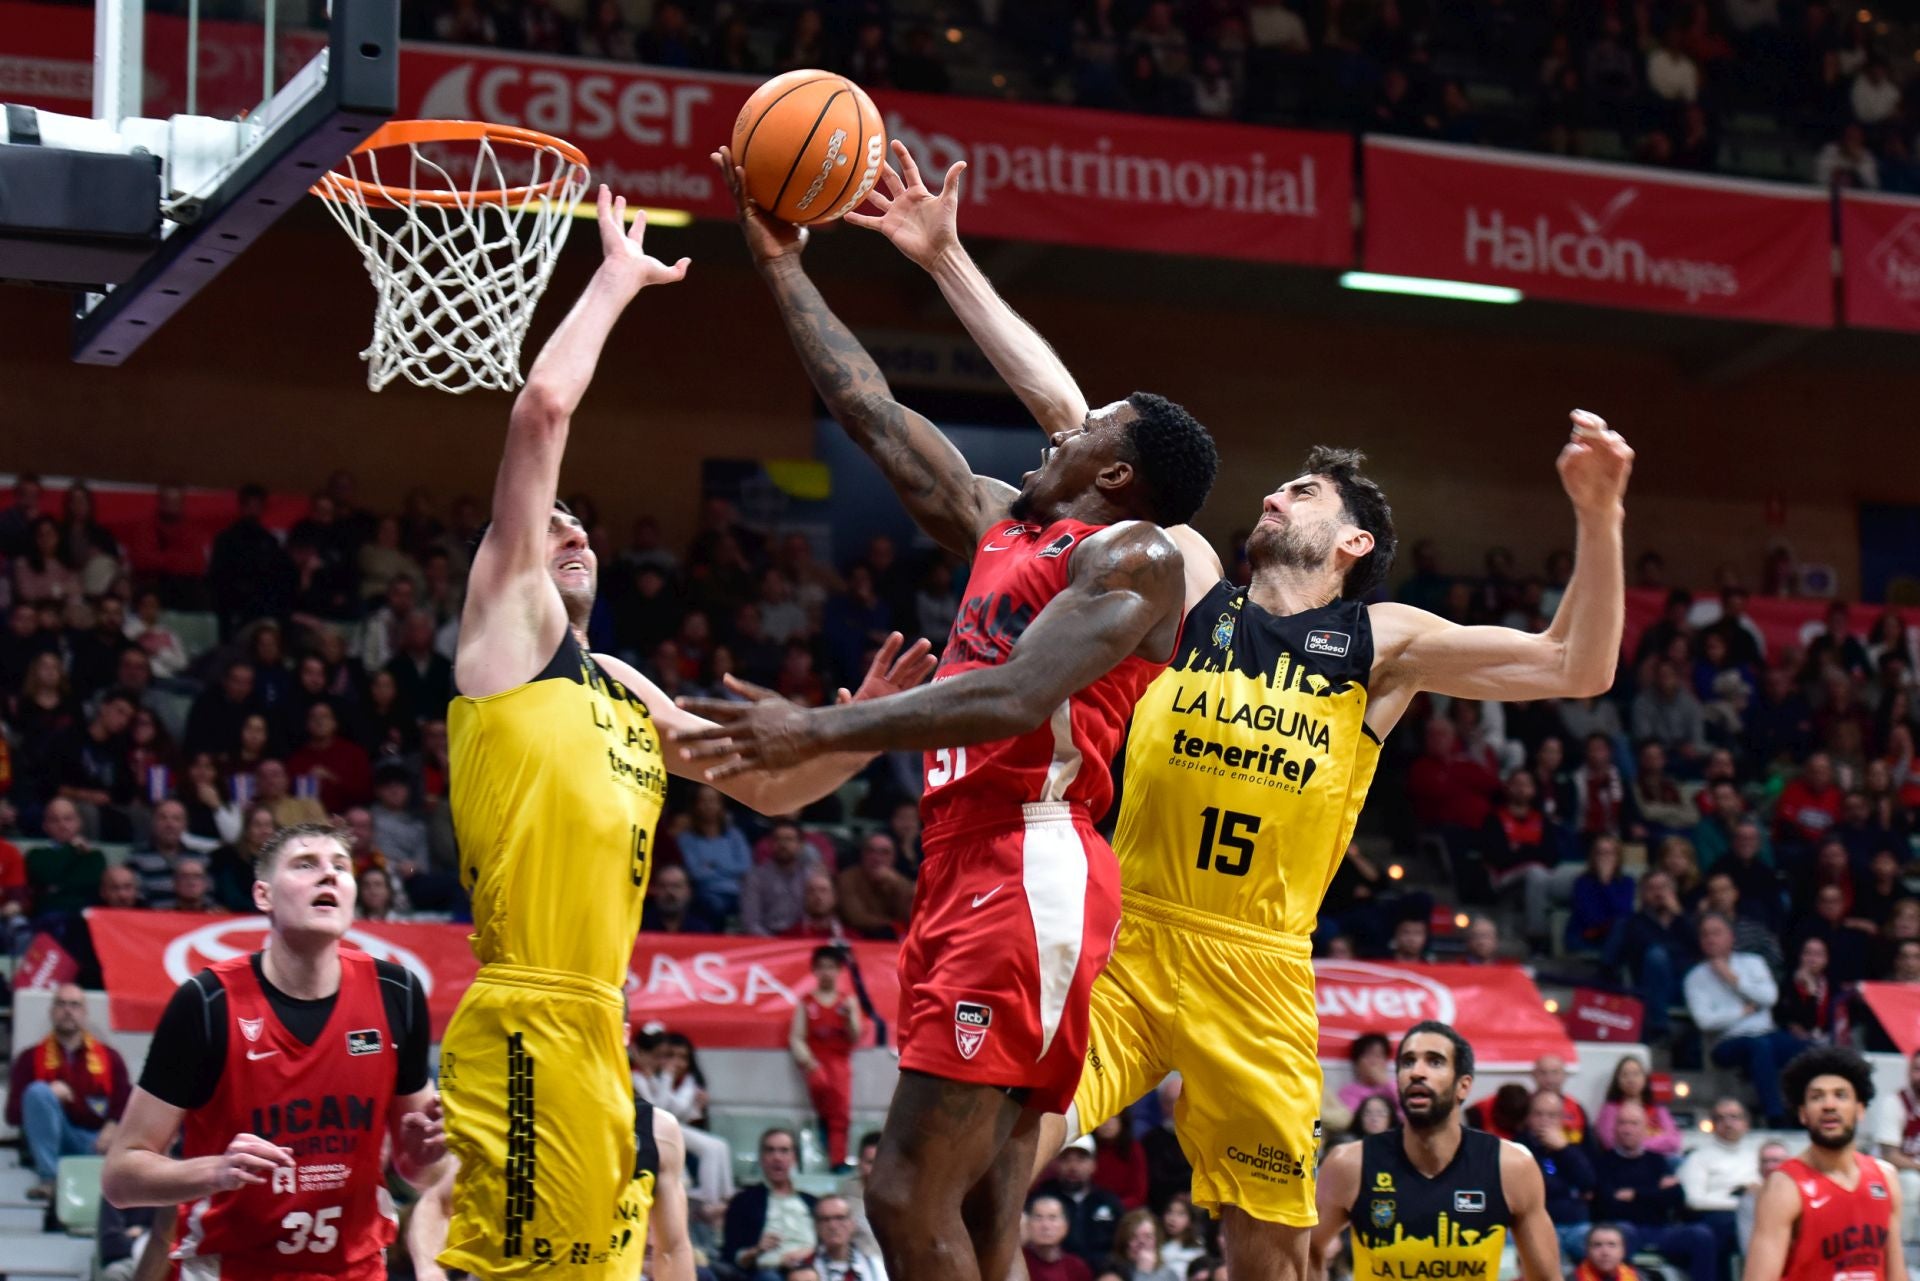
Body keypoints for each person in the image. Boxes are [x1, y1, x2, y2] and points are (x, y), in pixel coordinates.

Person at [853, 152, 1631, 1276]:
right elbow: (1078, 423)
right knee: (988, 1165)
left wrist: (1597, 517)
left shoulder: (1382, 643)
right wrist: (948, 259)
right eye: (1278, 486)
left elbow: (1578, 664)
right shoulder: (1187, 582)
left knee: (1272, 1248)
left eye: (1303, 493)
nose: (1274, 493)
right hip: (1132, 932)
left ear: (1353, 540)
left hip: (1262, 965)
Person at [694, 149, 1215, 1281]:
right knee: (981, 1208)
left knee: (897, 1195)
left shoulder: (1133, 555)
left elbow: (1018, 693)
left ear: (1117, 474)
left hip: (1032, 862)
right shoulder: (1002, 526)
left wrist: (813, 731)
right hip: (965, 861)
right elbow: (869, 408)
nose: (1057, 433)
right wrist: (775, 255)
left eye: (1089, 429)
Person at [437, 186, 933, 1281]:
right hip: (526, 1014)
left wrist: (865, 726)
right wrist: (615, 279)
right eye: (547, 520)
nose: (567, 527)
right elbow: (539, 418)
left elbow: (770, 791)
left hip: (600, 1027)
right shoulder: (507, 639)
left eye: (580, 525)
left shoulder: (620, 683)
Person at [100, 823, 445, 1276]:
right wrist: (216, 1171)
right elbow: (120, 1178)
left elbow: (421, 1173)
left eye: (340, 867)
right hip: (229, 1267)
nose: (329, 876)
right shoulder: (207, 1003)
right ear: (263, 895)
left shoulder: (396, 992)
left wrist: (421, 1157)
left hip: (356, 1268)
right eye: (306, 865)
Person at [1310, 1023, 1560, 1281]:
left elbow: (1547, 1277)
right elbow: (1307, 1249)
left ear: (1463, 1086)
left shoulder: (1512, 1167)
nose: (1416, 1072)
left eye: (1435, 1062)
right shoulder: (1349, 1164)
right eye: (1407, 1062)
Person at [408, 1099, 696, 1281]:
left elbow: (672, 1247)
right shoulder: (514, 1116)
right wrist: (430, 1271)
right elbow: (437, 1203)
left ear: (621, 1034)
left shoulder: (655, 1129)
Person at [1743, 1047, 1906, 1281]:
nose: (1829, 1105)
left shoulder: (1885, 1176)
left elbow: (1896, 1273)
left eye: (1840, 1095)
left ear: (1860, 1110)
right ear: (1803, 1114)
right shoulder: (1784, 1187)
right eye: (1817, 1097)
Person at [6, 982, 130, 1199]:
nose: (68, 1010)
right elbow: (12, 1115)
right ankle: (49, 1180)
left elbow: (126, 1103)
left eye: (74, 1005)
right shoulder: (29, 1058)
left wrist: (112, 1127)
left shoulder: (110, 1058)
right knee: (38, 1092)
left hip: (95, 1142)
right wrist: (48, 1094)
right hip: (51, 1141)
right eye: (61, 1004)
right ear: (52, 1011)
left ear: (84, 1013)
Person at [1686, 912, 1806, 1126]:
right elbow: (1705, 1021)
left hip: (1766, 1034)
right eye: (1705, 935)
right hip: (1725, 1043)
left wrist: (1733, 980)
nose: (1711, 939)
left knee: (1808, 1049)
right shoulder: (1695, 977)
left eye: (1716, 933)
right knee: (1759, 1047)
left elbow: (1769, 998)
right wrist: (1742, 1013)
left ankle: (1804, 1112)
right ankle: (1775, 1116)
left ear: (1731, 937)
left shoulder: (1754, 963)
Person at [1593, 1102, 1719, 1281]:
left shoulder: (1657, 1161)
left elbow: (1676, 1197)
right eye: (1622, 1123)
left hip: (1661, 1229)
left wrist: (1635, 1195)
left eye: (1634, 1123)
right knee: (1620, 1232)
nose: (1627, 1129)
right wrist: (1656, 1193)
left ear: (1645, 1128)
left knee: (1701, 1234)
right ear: (1614, 1127)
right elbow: (1608, 1205)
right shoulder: (1603, 1163)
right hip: (1626, 1229)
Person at [791, 945, 860, 1171]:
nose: (826, 972)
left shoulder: (847, 1002)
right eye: (821, 967)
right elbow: (797, 1037)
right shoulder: (807, 1003)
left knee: (840, 1112)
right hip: (817, 1062)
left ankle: (838, 1161)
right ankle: (824, 1149)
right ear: (814, 971)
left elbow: (855, 1036)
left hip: (839, 1062)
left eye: (831, 967)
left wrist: (849, 1018)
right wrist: (810, 1064)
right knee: (823, 1109)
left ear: (839, 971)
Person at [721, 1128, 819, 1280]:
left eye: (784, 1151)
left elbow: (828, 1242)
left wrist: (808, 1254)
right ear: (761, 1158)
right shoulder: (743, 1201)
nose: (777, 1157)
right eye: (770, 1150)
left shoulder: (811, 1202)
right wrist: (756, 1250)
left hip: (812, 1267)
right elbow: (729, 1254)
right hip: (769, 1271)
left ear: (794, 1158)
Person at [1679, 1098, 1761, 1269]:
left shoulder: (1756, 1158)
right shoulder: (1698, 1158)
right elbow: (1694, 1200)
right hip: (1715, 1218)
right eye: (1721, 1118)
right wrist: (1740, 1203)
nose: (1728, 1123)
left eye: (1734, 1117)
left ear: (1746, 1123)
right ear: (1713, 1124)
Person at [1524, 1088, 1596, 1262]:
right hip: (1535, 1226)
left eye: (1552, 1115)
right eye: (1538, 1114)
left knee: (1601, 1246)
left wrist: (1564, 1150)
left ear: (1562, 1118)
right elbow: (1535, 1188)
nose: (1544, 1121)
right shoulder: (1518, 1147)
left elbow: (1589, 1183)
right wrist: (1568, 1188)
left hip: (1575, 1225)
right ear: (1529, 1117)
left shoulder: (1574, 1147)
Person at [1035, 1136, 1126, 1270]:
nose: (1073, 1167)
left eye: (1081, 1159)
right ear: (1056, 1164)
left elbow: (1123, 1245)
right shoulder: (1041, 1199)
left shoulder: (1108, 1201)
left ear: (1093, 1164)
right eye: (1066, 1159)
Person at [1872, 1048, 1920, 1247]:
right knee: (1911, 1183)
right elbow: (1890, 1155)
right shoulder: (1895, 1102)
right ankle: (1903, 1248)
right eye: (1917, 1069)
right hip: (1893, 1173)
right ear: (1908, 1072)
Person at [1594, 1057, 1683, 1157]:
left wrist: (1636, 1144)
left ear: (1645, 1078)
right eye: (1625, 1075)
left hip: (1662, 1160)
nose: (1631, 1080)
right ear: (1617, 1080)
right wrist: (1657, 1142)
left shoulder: (1658, 1107)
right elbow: (1611, 1143)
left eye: (1636, 1074)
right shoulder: (1610, 1109)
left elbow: (1673, 1141)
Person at [807, 1195, 886, 1281]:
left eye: (840, 1218)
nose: (833, 1226)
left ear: (852, 1223)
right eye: (825, 1219)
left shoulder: (873, 1265)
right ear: (816, 1226)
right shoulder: (806, 1267)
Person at [1025, 1194, 1095, 1281]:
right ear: (1027, 1224)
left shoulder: (1076, 1267)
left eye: (1052, 1218)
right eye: (1038, 1218)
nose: (1045, 1225)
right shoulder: (1019, 1263)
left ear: (1066, 1226)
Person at [1738, 1141, 1792, 1253]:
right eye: (1764, 1161)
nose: (1769, 1166)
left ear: (1789, 1163)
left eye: (1775, 1161)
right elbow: (1748, 1247)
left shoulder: (1803, 1195)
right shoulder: (1750, 1200)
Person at [1577, 1224, 1642, 1281]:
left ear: (1623, 1250)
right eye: (1597, 1245)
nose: (1605, 1252)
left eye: (1612, 1245)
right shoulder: (1574, 1278)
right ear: (1587, 1250)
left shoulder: (1638, 1278)